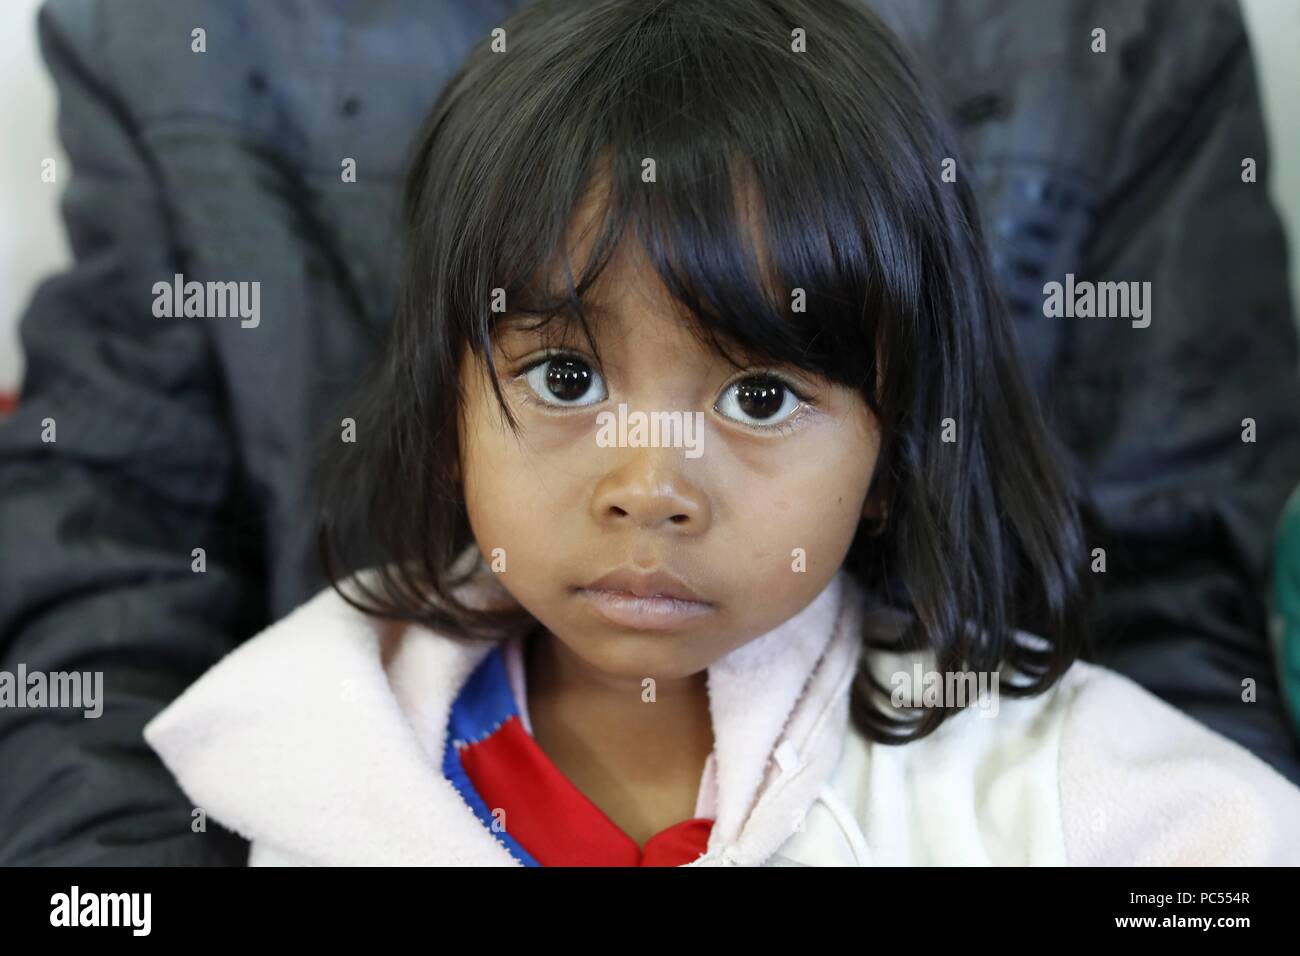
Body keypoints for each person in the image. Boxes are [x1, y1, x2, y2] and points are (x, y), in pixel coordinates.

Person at [3, 0, 1298, 866]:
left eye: (759, 397)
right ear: (449, 411)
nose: (649, 488)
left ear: (898, 453)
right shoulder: (297, 747)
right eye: (564, 378)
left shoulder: (1033, 763)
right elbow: (104, 529)